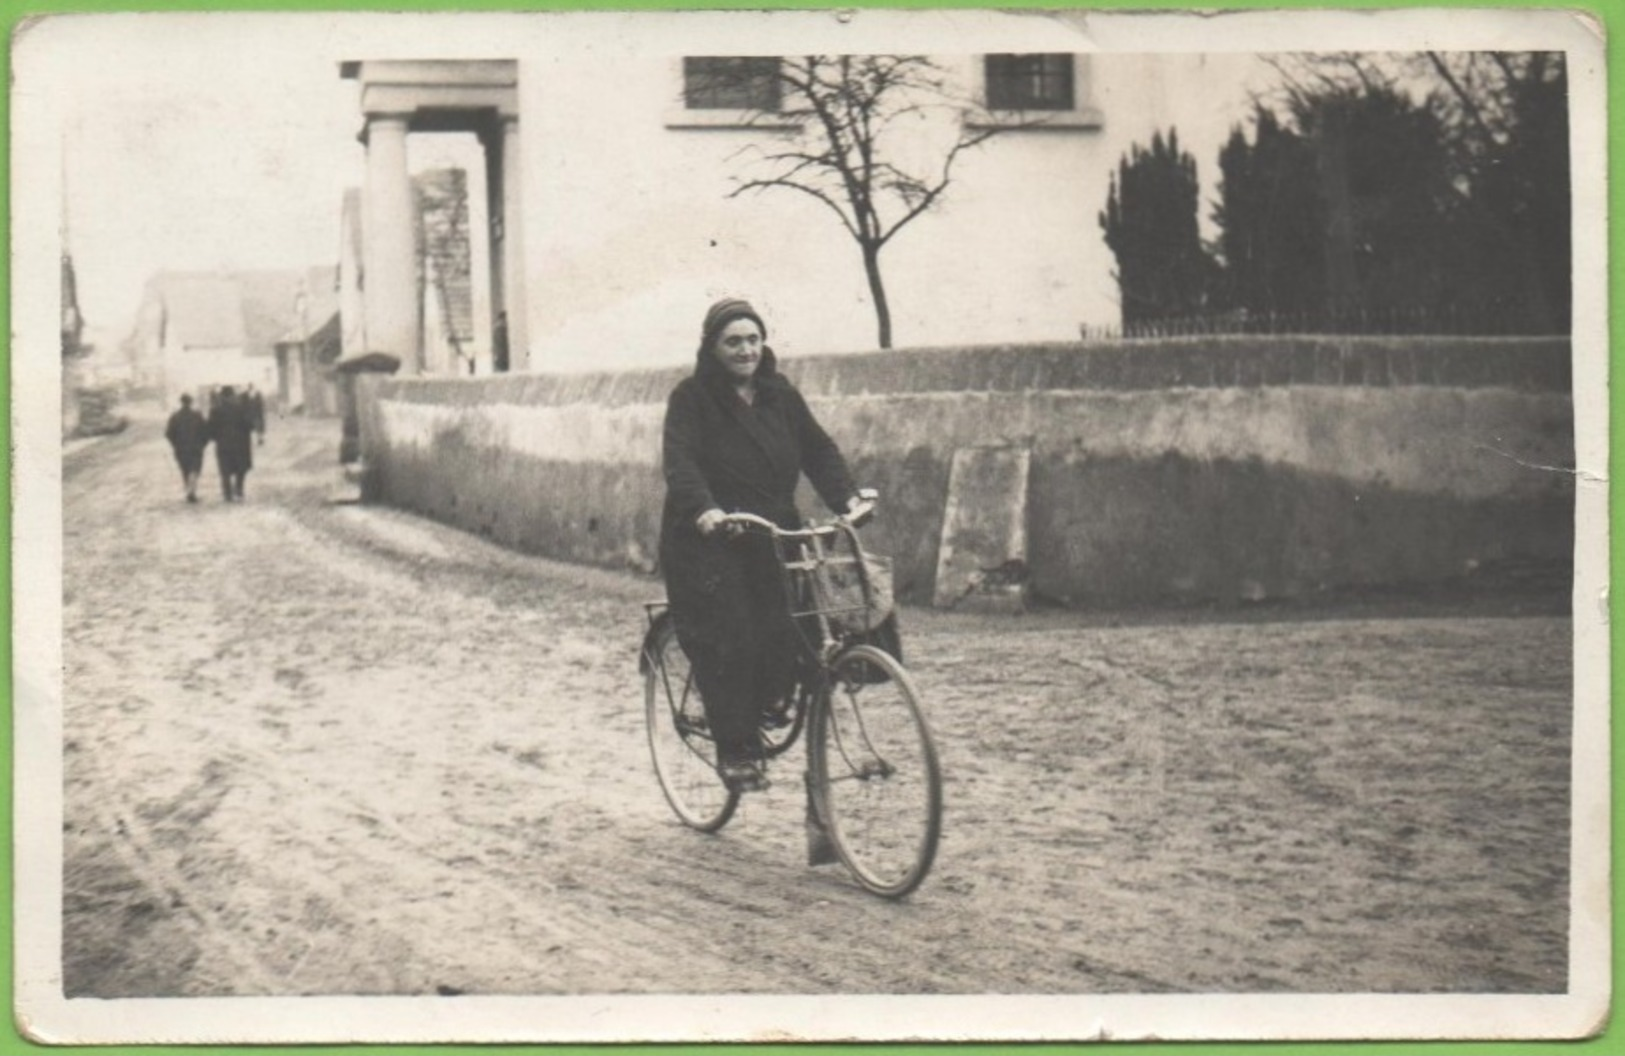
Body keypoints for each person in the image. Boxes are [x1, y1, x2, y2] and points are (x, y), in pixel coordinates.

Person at [659, 297, 869, 796]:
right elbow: (680, 461)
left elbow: (818, 450)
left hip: (773, 532)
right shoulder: (691, 398)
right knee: (733, 632)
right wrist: (705, 510)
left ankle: (764, 705)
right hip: (711, 539)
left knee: (793, 629)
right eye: (733, 341)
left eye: (753, 339)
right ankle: (734, 746)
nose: (746, 350)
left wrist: (848, 497)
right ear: (712, 348)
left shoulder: (779, 394)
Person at [207, 385, 255, 501]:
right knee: (241, 468)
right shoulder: (241, 409)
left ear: (222, 397)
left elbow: (210, 429)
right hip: (240, 444)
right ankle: (239, 490)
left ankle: (227, 493)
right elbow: (250, 425)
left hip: (223, 445)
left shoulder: (215, 411)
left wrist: (216, 437)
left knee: (225, 470)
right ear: (233, 396)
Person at [163, 393, 209, 503]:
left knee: (185, 470)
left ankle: (189, 491)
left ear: (181, 402)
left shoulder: (175, 416)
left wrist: (175, 444)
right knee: (194, 469)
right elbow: (205, 432)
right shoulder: (197, 415)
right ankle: (192, 491)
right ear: (191, 402)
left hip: (181, 449)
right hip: (196, 448)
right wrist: (202, 444)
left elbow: (169, 433)